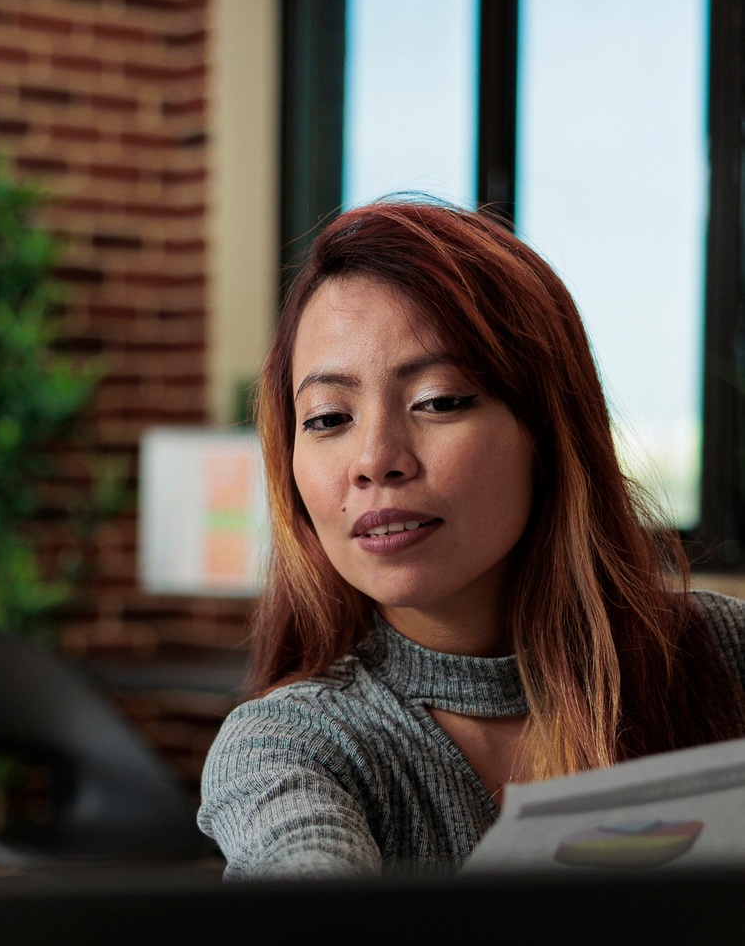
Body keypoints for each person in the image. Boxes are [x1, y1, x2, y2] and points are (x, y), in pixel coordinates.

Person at [199, 199, 745, 876]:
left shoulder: (721, 657)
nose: (373, 458)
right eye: (328, 417)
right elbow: (318, 943)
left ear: (547, 430)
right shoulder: (290, 747)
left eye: (438, 401)